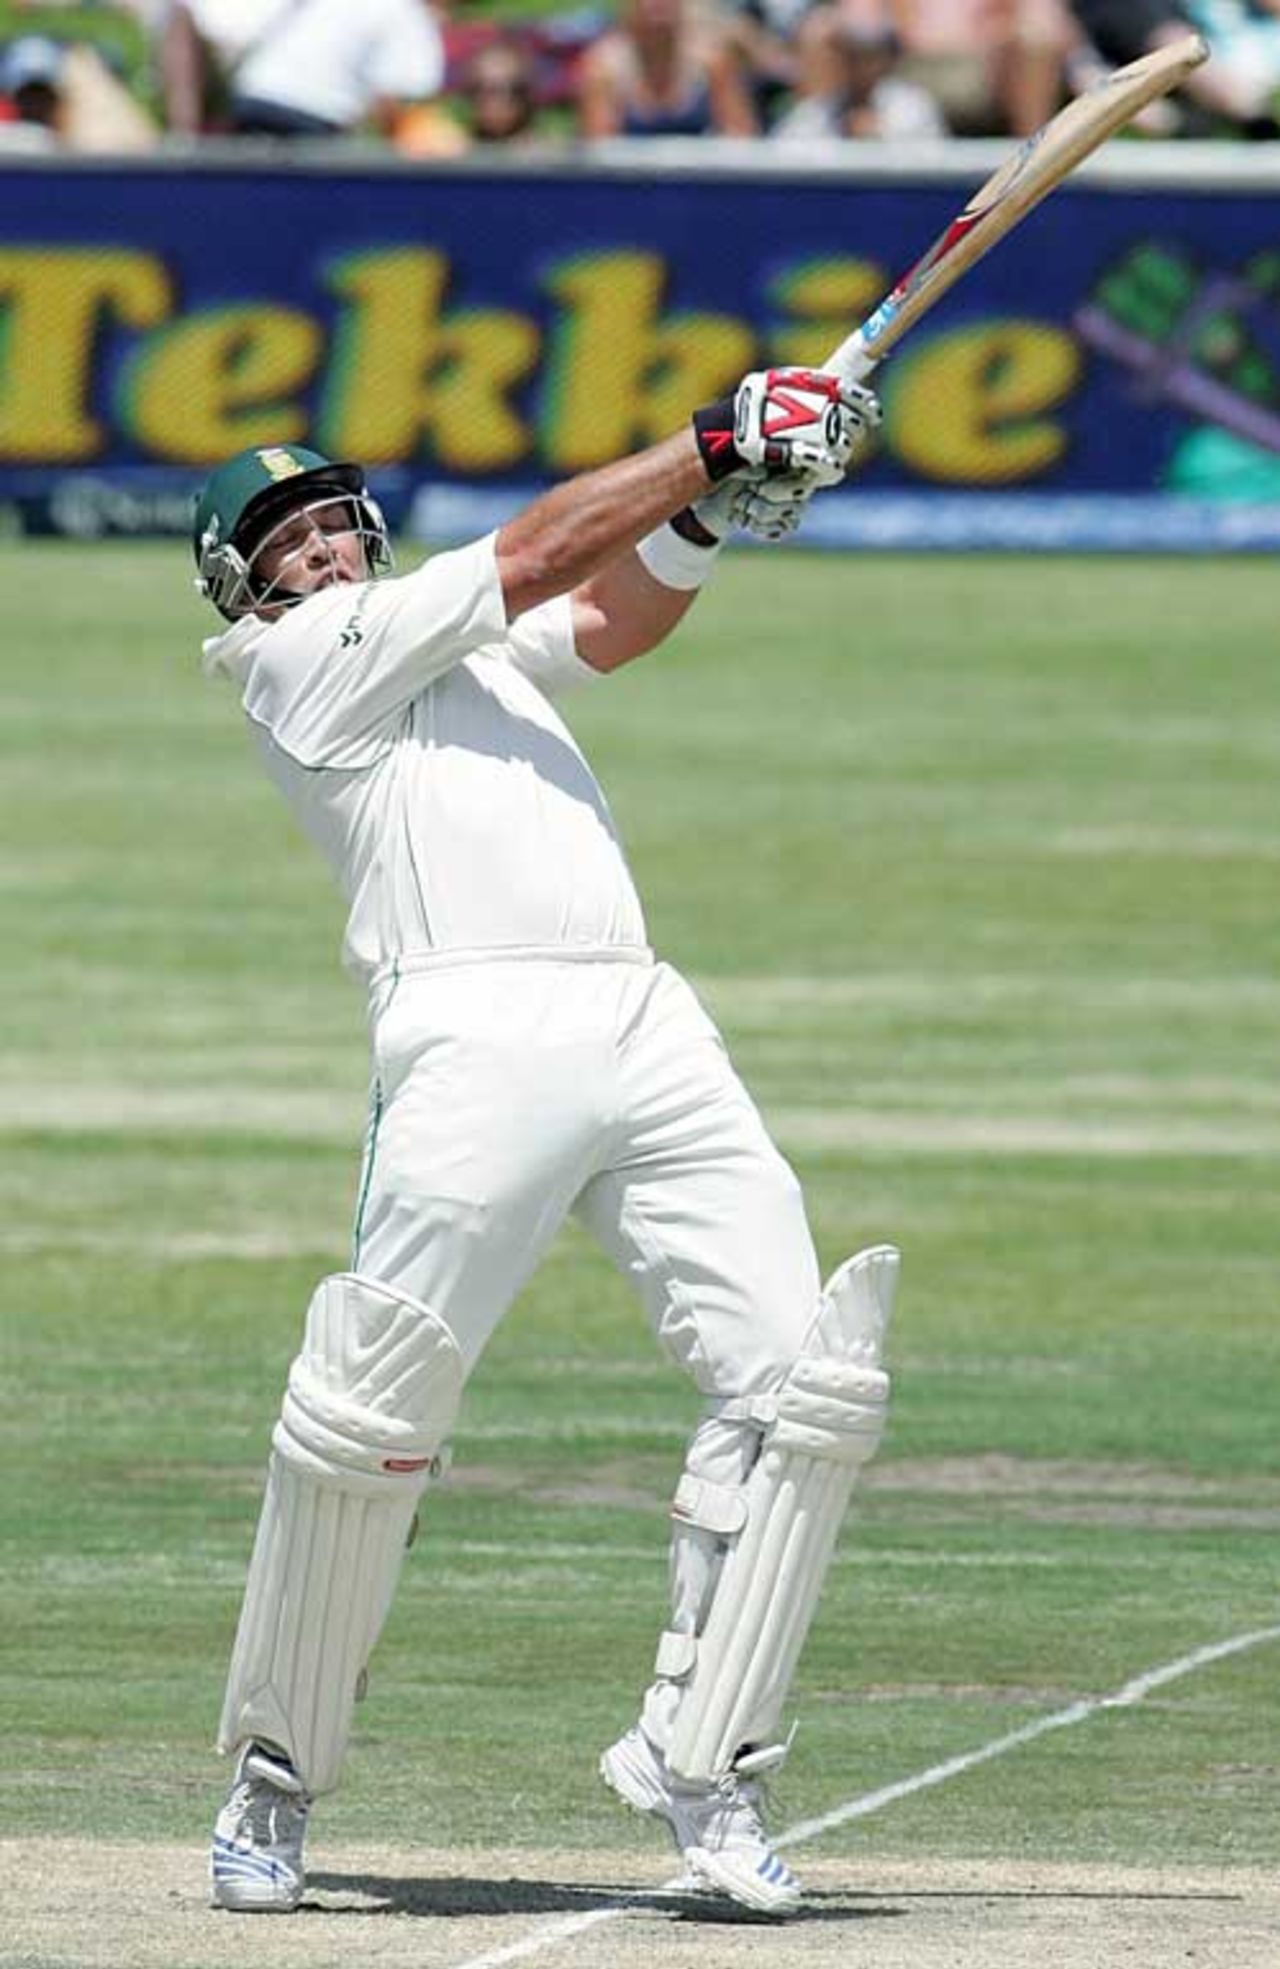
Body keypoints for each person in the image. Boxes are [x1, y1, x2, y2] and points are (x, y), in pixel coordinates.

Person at [193, 365, 899, 1919]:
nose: (313, 547)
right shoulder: (303, 660)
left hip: (643, 1017)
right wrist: (715, 440)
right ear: (244, 585)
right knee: (369, 1409)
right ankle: (274, 1776)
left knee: (807, 1388)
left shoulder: (459, 639)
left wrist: (718, 515)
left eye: (328, 519)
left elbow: (605, 619)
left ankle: (705, 1763)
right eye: (279, 538)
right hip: (468, 1036)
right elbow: (537, 552)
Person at [158, 0, 445, 139]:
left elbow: (190, 24)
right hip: (319, 130)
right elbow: (396, 100)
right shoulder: (399, 10)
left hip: (249, 117)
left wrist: (184, 130)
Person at [575, 0, 758, 137]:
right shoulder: (603, 67)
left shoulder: (712, 60)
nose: (659, 5)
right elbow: (600, 150)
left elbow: (741, 138)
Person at [770, 13, 949, 139]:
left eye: (865, 56)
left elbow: (932, 168)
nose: (854, 66)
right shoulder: (816, 110)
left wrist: (880, 137)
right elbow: (781, 154)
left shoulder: (912, 105)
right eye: (847, 56)